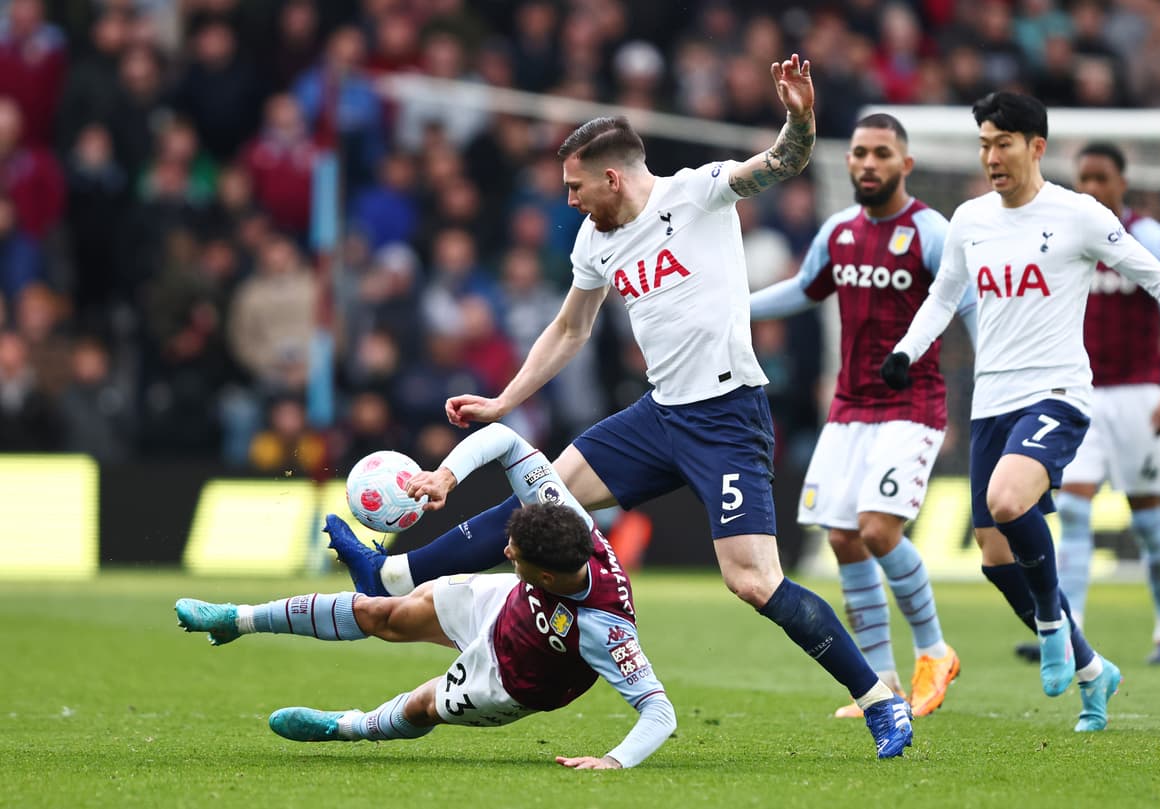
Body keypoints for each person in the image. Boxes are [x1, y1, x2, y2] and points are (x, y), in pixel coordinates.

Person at [329, 54, 915, 757]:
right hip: (659, 414)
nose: (569, 201)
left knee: (754, 581)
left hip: (727, 416)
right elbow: (571, 328)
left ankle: (881, 702)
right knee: (540, 507)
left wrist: (799, 116)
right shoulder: (594, 239)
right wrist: (506, 398)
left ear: (612, 176)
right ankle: (391, 572)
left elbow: (784, 162)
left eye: (576, 187)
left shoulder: (697, 193)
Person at [879, 91, 1160, 732]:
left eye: (1002, 144)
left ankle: (1051, 621)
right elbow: (942, 297)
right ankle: (1094, 668)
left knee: (1010, 501)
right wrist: (906, 350)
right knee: (993, 555)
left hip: (1058, 395)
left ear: (1035, 147)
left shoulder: (1078, 215)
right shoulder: (969, 220)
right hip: (991, 401)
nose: (990, 156)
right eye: (983, 144)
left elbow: (1158, 276)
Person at [175, 423, 675, 769]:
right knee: (381, 613)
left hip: (515, 677)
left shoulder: (605, 630)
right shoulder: (571, 523)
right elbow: (504, 439)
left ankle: (346, 727)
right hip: (506, 603)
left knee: (421, 706)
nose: (503, 549)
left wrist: (613, 760)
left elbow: (659, 713)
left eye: (513, 552)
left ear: (543, 574)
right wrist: (445, 477)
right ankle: (236, 620)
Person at [749, 113, 971, 720]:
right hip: (849, 407)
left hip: (912, 404)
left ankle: (934, 651)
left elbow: (966, 304)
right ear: (847, 162)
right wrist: (736, 309)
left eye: (881, 154)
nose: (868, 164)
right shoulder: (840, 230)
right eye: (859, 154)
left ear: (905, 164)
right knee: (844, 537)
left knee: (878, 529)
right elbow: (803, 289)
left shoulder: (930, 231)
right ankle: (881, 680)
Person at [1014, 142, 1160, 667]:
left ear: (1122, 182)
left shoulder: (1151, 238)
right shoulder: (1063, 234)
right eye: (1083, 178)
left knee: (1148, 521)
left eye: (1101, 178)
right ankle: (1073, 633)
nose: (1091, 187)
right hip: (1080, 395)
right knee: (1072, 510)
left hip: (1140, 395)